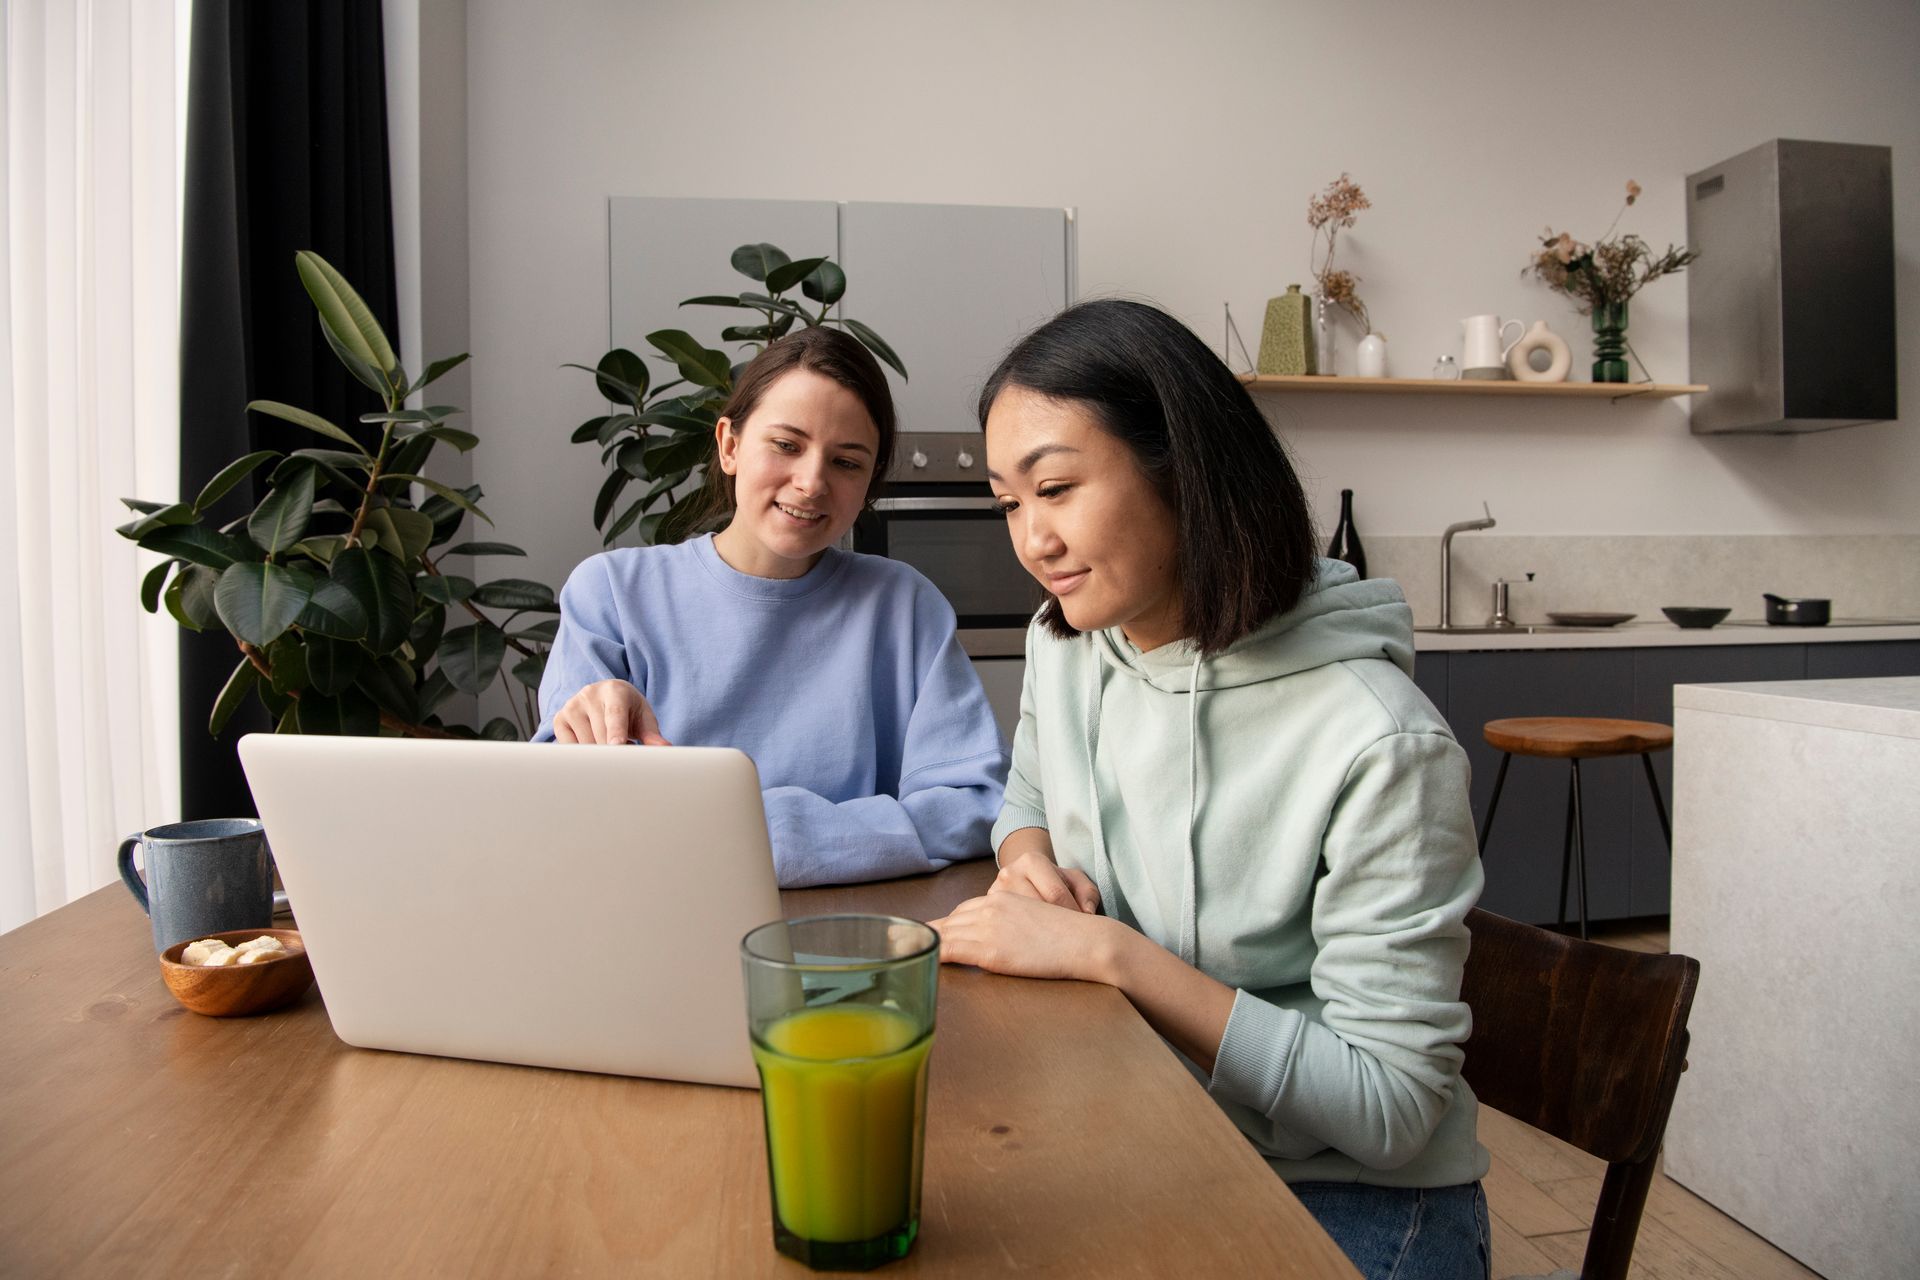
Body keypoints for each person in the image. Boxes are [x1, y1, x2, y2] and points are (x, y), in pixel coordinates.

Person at [931, 300, 1490, 1279]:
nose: (1032, 540)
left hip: (1347, 1197)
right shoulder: (1069, 642)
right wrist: (1027, 863)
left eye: (1056, 487)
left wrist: (1107, 952)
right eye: (1009, 501)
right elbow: (1027, 794)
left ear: (1185, 472)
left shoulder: (1381, 740)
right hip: (1148, 1124)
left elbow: (1394, 1108)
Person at [534, 326, 1008, 887]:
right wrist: (593, 725)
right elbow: (567, 811)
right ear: (729, 445)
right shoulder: (610, 592)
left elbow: (972, 805)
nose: (811, 483)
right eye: (786, 445)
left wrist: (761, 834)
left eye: (847, 463)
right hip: (660, 919)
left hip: (860, 926)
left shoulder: (905, 607)